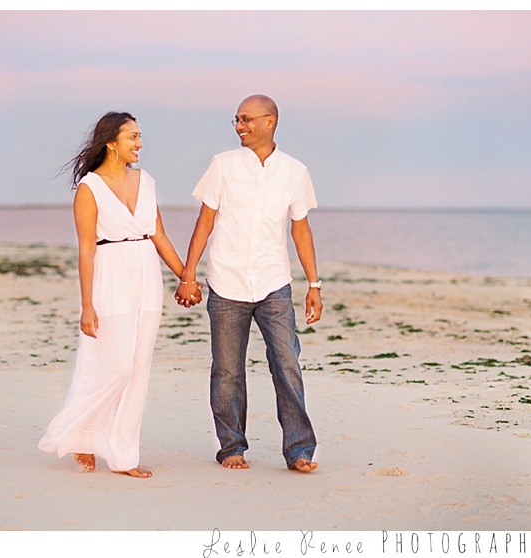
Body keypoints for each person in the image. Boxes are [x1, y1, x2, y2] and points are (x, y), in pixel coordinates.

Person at [175, 94, 322, 473]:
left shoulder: (295, 171)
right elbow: (204, 222)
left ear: (269, 121)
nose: (239, 126)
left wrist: (315, 284)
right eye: (236, 120)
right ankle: (231, 447)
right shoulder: (222, 166)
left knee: (287, 364)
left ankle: (300, 450)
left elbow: (301, 230)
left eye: (246, 119)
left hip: (275, 283)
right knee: (227, 371)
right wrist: (188, 276)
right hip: (226, 283)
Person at [39, 111, 190, 478]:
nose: (139, 143)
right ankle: (79, 434)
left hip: (145, 273)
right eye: (132, 137)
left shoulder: (146, 181)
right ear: (111, 142)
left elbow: (159, 235)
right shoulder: (89, 188)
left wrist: (187, 276)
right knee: (111, 365)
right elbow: (87, 249)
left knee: (137, 370)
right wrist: (87, 304)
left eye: (140, 136)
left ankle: (124, 457)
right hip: (109, 274)